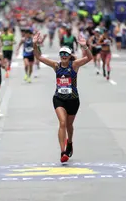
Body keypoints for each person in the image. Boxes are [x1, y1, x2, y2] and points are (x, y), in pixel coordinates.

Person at [33, 32, 93, 163]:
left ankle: (69, 142)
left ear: (70, 55)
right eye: (62, 54)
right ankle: (63, 152)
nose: (64, 56)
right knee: (62, 123)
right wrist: (35, 44)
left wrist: (85, 46)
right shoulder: (56, 66)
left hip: (73, 100)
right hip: (59, 99)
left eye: (66, 54)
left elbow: (89, 58)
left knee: (69, 125)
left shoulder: (74, 65)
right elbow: (38, 56)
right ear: (60, 56)